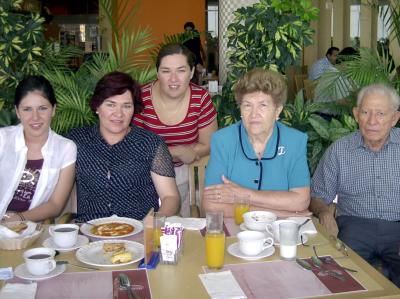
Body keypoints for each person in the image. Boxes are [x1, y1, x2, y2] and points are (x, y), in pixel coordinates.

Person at [310, 83, 400, 287]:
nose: (372, 121)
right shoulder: (340, 150)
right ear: (356, 114)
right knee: (334, 276)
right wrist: (324, 213)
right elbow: (317, 196)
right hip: (354, 226)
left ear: (394, 118)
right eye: (366, 112)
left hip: (397, 227)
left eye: (381, 114)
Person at [68, 71, 180, 222]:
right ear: (97, 107)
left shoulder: (150, 144)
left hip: (138, 232)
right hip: (89, 232)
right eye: (110, 105)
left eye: (126, 106)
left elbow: (170, 197)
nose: (118, 114)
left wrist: (154, 220)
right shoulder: (77, 141)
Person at [203, 68, 310, 217]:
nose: (254, 114)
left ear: (277, 110)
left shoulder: (294, 141)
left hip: (280, 233)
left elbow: (301, 201)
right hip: (235, 232)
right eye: (247, 105)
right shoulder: (223, 140)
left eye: (263, 105)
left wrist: (242, 194)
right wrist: (280, 212)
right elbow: (211, 205)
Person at [133, 44, 218, 217]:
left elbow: (208, 144)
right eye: (166, 71)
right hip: (144, 173)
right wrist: (177, 151)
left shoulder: (200, 98)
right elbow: (134, 148)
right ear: (157, 73)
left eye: (181, 70)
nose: (174, 79)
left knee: (181, 229)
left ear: (192, 72)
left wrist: (184, 153)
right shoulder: (141, 98)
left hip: (184, 171)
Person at [0, 75, 76, 222]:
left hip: (33, 229)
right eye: (27, 109)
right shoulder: (3, 139)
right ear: (17, 111)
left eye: (42, 108)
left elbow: (55, 204)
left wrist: (19, 219)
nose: (35, 117)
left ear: (53, 109)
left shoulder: (65, 148)